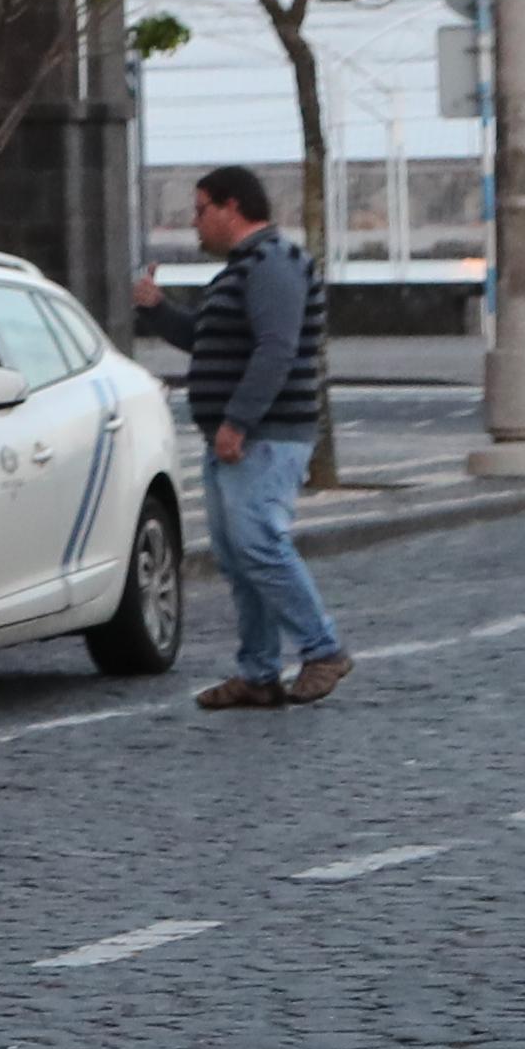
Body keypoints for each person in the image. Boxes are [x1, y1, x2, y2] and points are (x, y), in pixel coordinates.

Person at [133, 166, 342, 711]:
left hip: (264, 436)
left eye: (200, 210)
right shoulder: (241, 270)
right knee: (238, 553)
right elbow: (207, 342)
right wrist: (155, 309)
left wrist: (239, 422)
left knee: (258, 544)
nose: (194, 223)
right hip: (240, 437)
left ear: (232, 207)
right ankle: (258, 672)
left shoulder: (274, 264)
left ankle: (323, 649)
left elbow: (275, 349)